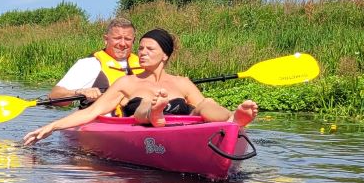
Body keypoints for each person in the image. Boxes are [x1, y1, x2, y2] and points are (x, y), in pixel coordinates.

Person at [22, 29, 258, 146]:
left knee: (204, 105)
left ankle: (233, 119)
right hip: (142, 123)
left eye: (149, 49)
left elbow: (204, 108)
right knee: (145, 104)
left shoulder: (182, 83)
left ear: (165, 55)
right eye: (141, 48)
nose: (142, 53)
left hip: (181, 130)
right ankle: (155, 112)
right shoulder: (127, 83)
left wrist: (226, 118)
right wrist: (52, 126)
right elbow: (90, 112)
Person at [48, 18, 138, 107]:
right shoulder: (89, 65)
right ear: (106, 39)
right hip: (102, 119)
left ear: (133, 40)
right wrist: (79, 92)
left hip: (138, 118)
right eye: (117, 38)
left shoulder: (145, 64)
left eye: (127, 39)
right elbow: (55, 95)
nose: (122, 44)